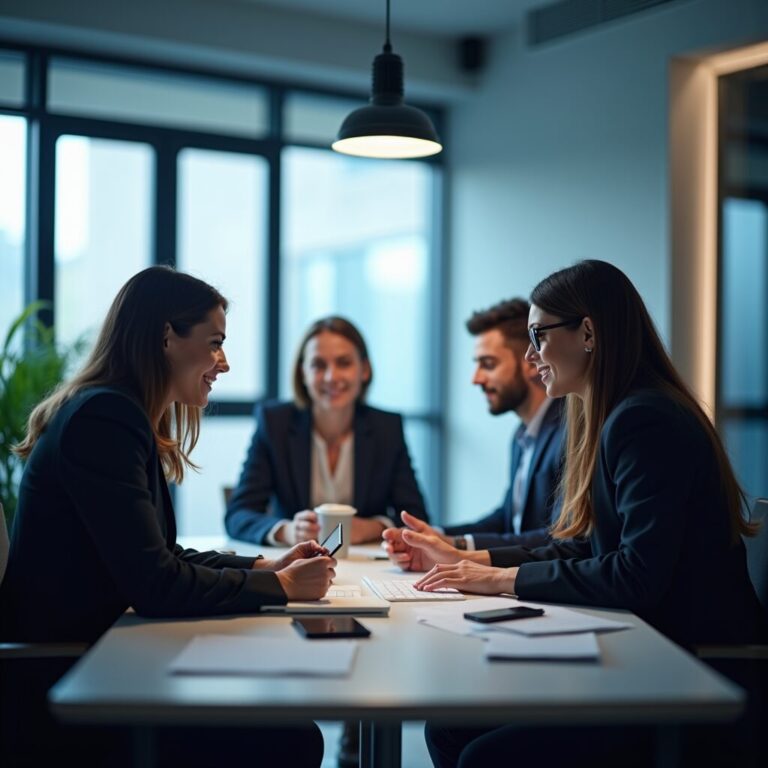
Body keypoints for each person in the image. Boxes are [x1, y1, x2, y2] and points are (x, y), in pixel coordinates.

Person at [399, 260, 768, 768]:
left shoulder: (645, 420)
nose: (530, 356)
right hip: (644, 653)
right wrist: (478, 564)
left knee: (482, 754)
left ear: (588, 333)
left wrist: (502, 579)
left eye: (538, 335)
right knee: (448, 727)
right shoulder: (618, 414)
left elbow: (635, 576)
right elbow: (587, 546)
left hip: (683, 672)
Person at [0, 266, 331, 767]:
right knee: (294, 739)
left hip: (103, 660)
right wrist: (281, 587)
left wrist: (266, 567)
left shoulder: (116, 412)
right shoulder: (105, 420)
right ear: (166, 337)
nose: (223, 363)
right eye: (215, 343)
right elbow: (156, 582)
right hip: (70, 686)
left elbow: (160, 554)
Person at [384, 298, 564, 572]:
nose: (476, 378)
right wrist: (437, 536)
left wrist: (455, 545)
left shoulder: (569, 433)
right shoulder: (522, 436)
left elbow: (560, 539)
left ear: (530, 361)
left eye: (488, 364)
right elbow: (507, 519)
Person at [225, 316, 428, 547]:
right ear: (303, 373)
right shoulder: (275, 423)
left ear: (364, 370)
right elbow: (238, 515)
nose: (331, 377)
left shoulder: (387, 429)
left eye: (344, 363)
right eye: (318, 365)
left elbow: (417, 519)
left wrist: (372, 528)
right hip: (294, 561)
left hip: (364, 561)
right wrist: (287, 531)